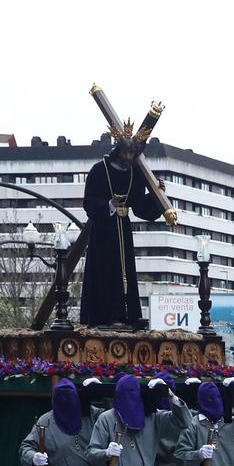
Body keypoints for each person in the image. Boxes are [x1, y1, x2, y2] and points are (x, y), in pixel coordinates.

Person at [78, 135, 170, 329]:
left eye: (132, 153)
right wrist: (110, 204)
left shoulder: (134, 173)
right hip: (102, 232)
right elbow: (89, 203)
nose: (129, 157)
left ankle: (126, 314)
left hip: (123, 229)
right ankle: (104, 316)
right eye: (126, 152)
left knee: (125, 272)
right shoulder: (99, 170)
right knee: (105, 273)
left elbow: (139, 206)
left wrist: (157, 195)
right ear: (118, 151)